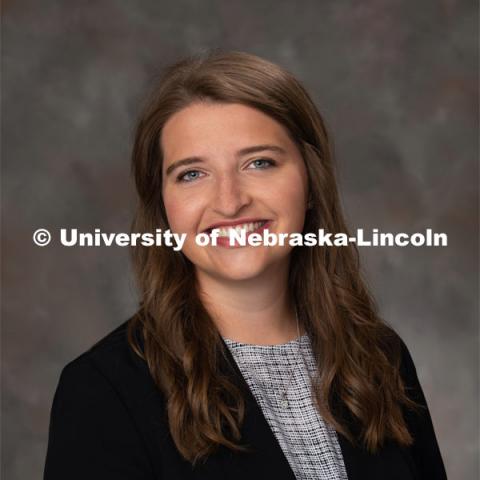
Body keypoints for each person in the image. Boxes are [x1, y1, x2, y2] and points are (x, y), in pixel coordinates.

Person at [43, 50, 448, 480]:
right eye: (192, 174)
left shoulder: (380, 360)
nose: (230, 201)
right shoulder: (103, 389)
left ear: (311, 184)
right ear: (162, 208)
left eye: (259, 163)